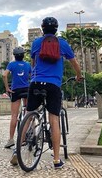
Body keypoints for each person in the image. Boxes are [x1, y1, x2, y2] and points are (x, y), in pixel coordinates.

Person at [26, 17, 82, 169]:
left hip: (36, 82)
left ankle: (17, 152)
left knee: (29, 114)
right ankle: (56, 160)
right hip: (53, 85)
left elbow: (33, 62)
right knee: (54, 120)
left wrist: (34, 76)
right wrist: (78, 75)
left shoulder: (36, 43)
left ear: (42, 28)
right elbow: (74, 62)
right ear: (56, 29)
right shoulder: (62, 43)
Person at [2, 47, 31, 149]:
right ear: (23, 55)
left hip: (15, 90)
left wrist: (7, 88)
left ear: (14, 55)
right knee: (29, 113)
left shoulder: (12, 64)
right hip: (26, 90)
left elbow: (4, 75)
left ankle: (11, 140)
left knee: (14, 115)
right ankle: (24, 137)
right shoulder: (27, 65)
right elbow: (32, 76)